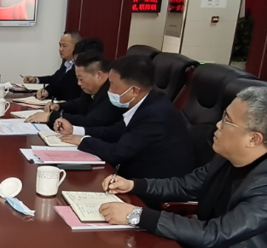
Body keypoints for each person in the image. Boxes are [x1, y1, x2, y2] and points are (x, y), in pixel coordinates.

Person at [100, 86, 267, 248]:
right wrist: (133, 184)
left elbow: (215, 234)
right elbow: (185, 185)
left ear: (253, 139)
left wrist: (137, 215)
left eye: (227, 120)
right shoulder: (228, 158)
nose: (218, 124)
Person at [60, 55, 194, 180]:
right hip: (133, 176)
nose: (109, 91)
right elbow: (114, 131)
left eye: (112, 85)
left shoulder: (155, 115)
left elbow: (117, 153)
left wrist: (83, 141)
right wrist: (75, 130)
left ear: (134, 90)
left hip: (152, 186)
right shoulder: (147, 102)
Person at [26, 51, 124, 129]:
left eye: (81, 79)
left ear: (98, 75)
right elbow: (80, 103)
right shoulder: (94, 89)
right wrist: (59, 106)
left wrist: (52, 117)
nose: (79, 83)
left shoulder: (114, 92)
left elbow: (91, 121)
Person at [23, 31, 82, 102]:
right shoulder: (66, 63)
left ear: (76, 47)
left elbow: (63, 85)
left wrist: (48, 91)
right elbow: (54, 78)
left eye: (64, 46)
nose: (60, 49)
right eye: (60, 45)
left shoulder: (80, 66)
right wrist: (36, 79)